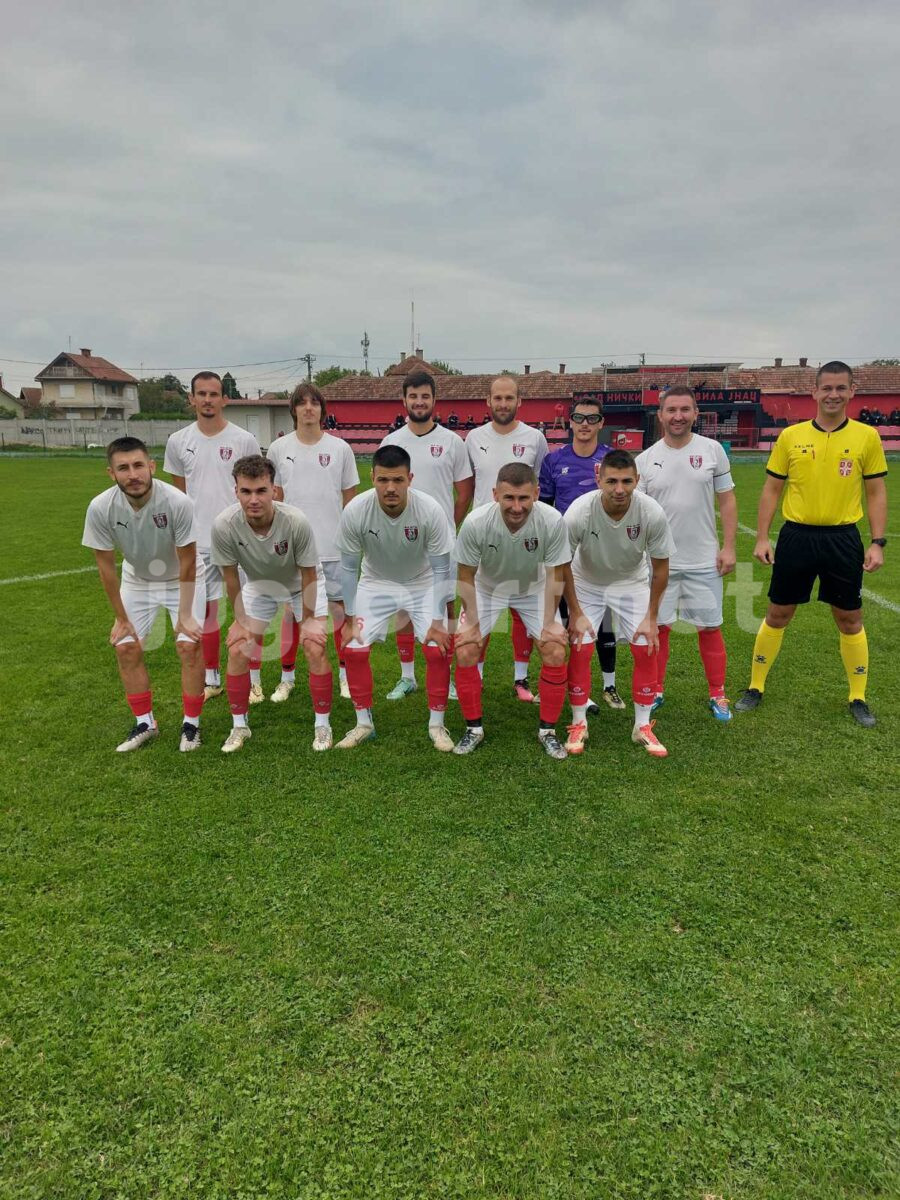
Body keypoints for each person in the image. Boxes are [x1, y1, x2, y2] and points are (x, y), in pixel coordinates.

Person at [735, 361, 888, 726]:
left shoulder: (867, 437)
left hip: (843, 538)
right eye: (827, 388)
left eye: (841, 388)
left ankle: (857, 697)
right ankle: (755, 686)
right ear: (814, 392)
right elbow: (772, 490)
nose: (833, 394)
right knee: (778, 613)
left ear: (852, 391)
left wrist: (877, 542)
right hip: (797, 537)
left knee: (849, 618)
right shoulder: (791, 436)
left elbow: (876, 492)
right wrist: (762, 537)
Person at [82, 437, 206, 752]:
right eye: (123, 468)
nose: (133, 474)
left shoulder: (177, 502)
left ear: (151, 466)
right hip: (138, 581)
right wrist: (121, 618)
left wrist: (185, 615)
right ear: (111, 473)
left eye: (138, 465)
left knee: (189, 645)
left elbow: (188, 560)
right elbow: (105, 567)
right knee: (125, 646)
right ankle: (145, 723)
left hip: (182, 578)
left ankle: (191, 725)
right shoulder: (100, 507)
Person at [335, 445, 455, 751]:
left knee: (437, 649)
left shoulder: (430, 510)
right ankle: (363, 724)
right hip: (376, 582)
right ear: (372, 477)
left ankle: (437, 726)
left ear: (410, 479)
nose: (391, 488)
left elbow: (442, 569)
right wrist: (349, 619)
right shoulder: (355, 510)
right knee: (353, 648)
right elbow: (348, 568)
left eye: (398, 480)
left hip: (422, 582)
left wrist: (438, 621)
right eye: (383, 480)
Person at [211, 455, 332, 752]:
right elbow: (230, 577)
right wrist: (240, 621)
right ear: (236, 491)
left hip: (300, 585)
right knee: (238, 648)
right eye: (246, 491)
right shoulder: (224, 525)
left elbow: (309, 574)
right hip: (259, 586)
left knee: (314, 646)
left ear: (274, 490)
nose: (254, 499)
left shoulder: (295, 521)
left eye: (261, 491)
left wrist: (309, 621)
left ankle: (323, 725)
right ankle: (239, 727)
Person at [453, 463, 572, 759]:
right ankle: (473, 729)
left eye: (523, 498)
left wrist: (549, 623)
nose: (516, 507)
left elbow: (556, 574)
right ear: (495, 494)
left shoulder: (552, 520)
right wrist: (472, 622)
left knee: (555, 649)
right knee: (466, 649)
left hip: (534, 589)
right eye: (509, 498)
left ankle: (548, 731)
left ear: (537, 494)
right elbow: (465, 575)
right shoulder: (476, 522)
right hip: (487, 588)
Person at [563, 450, 675, 757]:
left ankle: (642, 726)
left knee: (646, 645)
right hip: (587, 582)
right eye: (612, 481)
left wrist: (651, 617)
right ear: (598, 479)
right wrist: (575, 611)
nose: (619, 489)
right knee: (580, 646)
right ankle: (578, 722)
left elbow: (661, 569)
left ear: (637, 480)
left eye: (626, 481)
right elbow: (561, 564)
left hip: (631, 583)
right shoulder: (579, 511)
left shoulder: (651, 512)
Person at [635, 386, 737, 721]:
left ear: (695, 413)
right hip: (658, 563)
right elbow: (639, 514)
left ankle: (718, 694)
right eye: (671, 410)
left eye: (684, 410)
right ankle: (656, 689)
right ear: (660, 415)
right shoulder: (644, 460)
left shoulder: (712, 451)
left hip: (703, 559)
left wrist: (729, 547)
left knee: (710, 627)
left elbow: (727, 500)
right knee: (658, 628)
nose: (678, 416)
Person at [164, 371, 260, 701]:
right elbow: (180, 496)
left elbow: (254, 489)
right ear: (191, 398)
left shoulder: (244, 440)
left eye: (214, 394)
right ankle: (212, 677)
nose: (207, 400)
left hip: (240, 537)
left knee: (248, 608)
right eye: (201, 394)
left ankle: (254, 678)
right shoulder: (178, 441)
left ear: (224, 399)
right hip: (199, 541)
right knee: (207, 611)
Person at [379, 369, 474, 699]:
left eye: (425, 396)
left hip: (440, 545)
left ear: (434, 400)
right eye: (413, 396)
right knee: (403, 607)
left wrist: (447, 526)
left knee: (445, 607)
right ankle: (408, 677)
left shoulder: (452, 442)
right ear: (403, 400)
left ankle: (446, 678)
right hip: (401, 542)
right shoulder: (391, 442)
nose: (419, 402)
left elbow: (464, 492)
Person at [267, 382, 359, 702]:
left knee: (339, 612)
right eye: (302, 403)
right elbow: (275, 500)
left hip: (333, 547)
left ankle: (345, 677)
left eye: (314, 403)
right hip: (294, 550)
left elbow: (350, 500)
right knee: (291, 614)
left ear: (322, 409)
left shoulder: (340, 449)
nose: (308, 408)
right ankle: (287, 678)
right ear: (293, 409)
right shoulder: (278, 449)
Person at [466, 375, 550, 701]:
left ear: (519, 401)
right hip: (484, 541)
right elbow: (467, 486)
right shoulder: (473, 438)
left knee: (522, 610)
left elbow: (538, 484)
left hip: (524, 537)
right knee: (480, 613)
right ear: (488, 401)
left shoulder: (535, 438)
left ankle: (521, 680)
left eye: (509, 398)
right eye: (497, 398)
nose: (503, 404)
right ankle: (475, 677)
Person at [539, 396, 623, 711]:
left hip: (602, 552)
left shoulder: (611, 458)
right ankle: (573, 686)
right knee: (568, 621)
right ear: (570, 422)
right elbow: (544, 509)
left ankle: (609, 685)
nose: (585, 424)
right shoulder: (553, 460)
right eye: (579, 418)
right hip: (564, 554)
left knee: (605, 623)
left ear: (601, 423)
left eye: (592, 418)